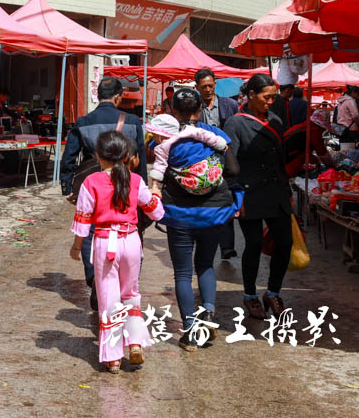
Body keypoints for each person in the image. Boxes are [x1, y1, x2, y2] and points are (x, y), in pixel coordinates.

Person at [152, 88, 243, 351]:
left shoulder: (167, 138)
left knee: (182, 272)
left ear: (173, 111)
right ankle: (209, 314)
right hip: (213, 212)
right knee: (205, 266)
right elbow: (234, 170)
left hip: (179, 214)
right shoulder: (215, 135)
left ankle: (190, 328)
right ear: (201, 109)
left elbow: (157, 171)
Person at [69, 131, 164, 373]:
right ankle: (134, 343)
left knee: (108, 298)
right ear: (125, 156)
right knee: (131, 293)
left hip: (104, 242)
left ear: (98, 156)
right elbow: (154, 211)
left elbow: (83, 220)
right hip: (131, 240)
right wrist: (156, 192)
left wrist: (77, 246)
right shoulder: (135, 180)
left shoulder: (91, 182)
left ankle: (112, 358)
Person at [60, 77, 148, 311]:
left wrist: (67, 187)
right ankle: (121, 285)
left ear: (98, 95)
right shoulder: (132, 121)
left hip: (91, 182)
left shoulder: (83, 121)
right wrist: (143, 187)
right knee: (124, 229)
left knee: (91, 229)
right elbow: (140, 158)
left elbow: (69, 156)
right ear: (118, 97)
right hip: (125, 182)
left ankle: (95, 279)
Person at [223, 74, 293, 320]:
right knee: (252, 245)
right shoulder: (235, 123)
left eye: (274, 97)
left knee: (285, 243)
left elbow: (281, 158)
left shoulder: (275, 119)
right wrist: (235, 193)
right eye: (267, 97)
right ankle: (250, 295)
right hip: (249, 192)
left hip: (277, 191)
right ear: (251, 95)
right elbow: (228, 163)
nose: (271, 101)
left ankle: (273, 291)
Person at [194, 68, 239, 260]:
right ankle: (206, 243)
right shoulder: (194, 106)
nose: (207, 89)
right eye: (203, 86)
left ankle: (227, 247)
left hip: (226, 160)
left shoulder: (230, 105)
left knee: (224, 199)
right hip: (202, 161)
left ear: (215, 84)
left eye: (210, 85)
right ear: (197, 87)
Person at [284, 108, 337, 177]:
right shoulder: (315, 130)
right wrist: (332, 166)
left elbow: (306, 152)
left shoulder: (304, 126)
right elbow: (322, 152)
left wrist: (315, 160)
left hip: (283, 157)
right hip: (289, 161)